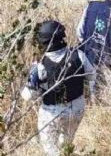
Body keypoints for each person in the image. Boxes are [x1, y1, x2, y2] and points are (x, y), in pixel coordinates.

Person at [20, 20, 96, 156]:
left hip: (52, 113)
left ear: (44, 42)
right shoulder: (78, 55)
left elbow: (28, 96)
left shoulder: (40, 65)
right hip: (77, 109)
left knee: (50, 149)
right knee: (66, 145)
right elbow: (91, 75)